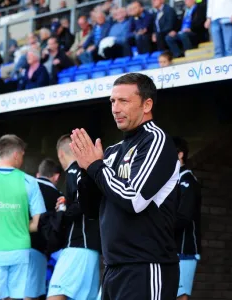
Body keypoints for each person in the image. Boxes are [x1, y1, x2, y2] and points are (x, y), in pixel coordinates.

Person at [70, 73, 180, 299]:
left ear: (147, 104)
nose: (115, 108)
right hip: (112, 267)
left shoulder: (156, 141)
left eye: (124, 101)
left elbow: (134, 199)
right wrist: (87, 170)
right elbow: (90, 210)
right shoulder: (111, 151)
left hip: (146, 266)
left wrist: (96, 166)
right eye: (112, 101)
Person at [0, 134, 46, 300]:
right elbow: (38, 222)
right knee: (16, 297)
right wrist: (16, 225)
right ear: (16, 154)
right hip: (20, 249)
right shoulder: (30, 182)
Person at [46, 135, 101, 300]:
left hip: (77, 246)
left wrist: (63, 209)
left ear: (61, 153)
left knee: (55, 295)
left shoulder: (73, 171)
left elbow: (81, 204)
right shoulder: (90, 172)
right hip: (92, 249)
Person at [24, 158, 63, 300]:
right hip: (37, 251)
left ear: (38, 174)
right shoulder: (58, 198)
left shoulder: (23, 186)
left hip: (10, 247)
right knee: (29, 295)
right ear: (57, 176)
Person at [173, 137, 201, 300]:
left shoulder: (188, 181)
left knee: (180, 296)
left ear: (180, 155)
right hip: (168, 249)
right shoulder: (169, 180)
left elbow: (183, 217)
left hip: (185, 249)